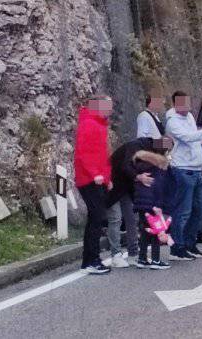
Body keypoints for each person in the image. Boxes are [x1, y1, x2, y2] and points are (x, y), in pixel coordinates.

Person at [166, 91, 202, 261]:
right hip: (182, 169)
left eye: (188, 102)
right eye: (183, 103)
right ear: (176, 104)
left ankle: (190, 243)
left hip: (196, 169)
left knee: (199, 209)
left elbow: (195, 138)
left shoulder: (189, 117)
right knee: (183, 210)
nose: (187, 106)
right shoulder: (172, 122)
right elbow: (188, 138)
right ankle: (177, 247)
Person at [104, 137, 160, 268]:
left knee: (132, 218)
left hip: (126, 187)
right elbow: (126, 165)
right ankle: (116, 255)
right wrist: (138, 177)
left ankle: (133, 254)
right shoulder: (135, 146)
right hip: (111, 184)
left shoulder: (150, 153)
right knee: (115, 218)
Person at [74, 96, 113, 274]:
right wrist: (95, 174)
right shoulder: (89, 123)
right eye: (107, 106)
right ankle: (92, 260)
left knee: (95, 218)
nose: (110, 109)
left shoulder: (97, 124)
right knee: (96, 218)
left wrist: (107, 177)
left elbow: (101, 156)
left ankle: (89, 260)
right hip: (88, 179)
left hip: (95, 178)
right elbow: (84, 152)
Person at [132, 137, 173, 270]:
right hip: (152, 204)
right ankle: (155, 260)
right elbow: (159, 187)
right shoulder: (158, 166)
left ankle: (142, 258)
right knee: (156, 231)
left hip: (141, 203)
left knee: (145, 231)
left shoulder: (140, 164)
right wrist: (158, 205)